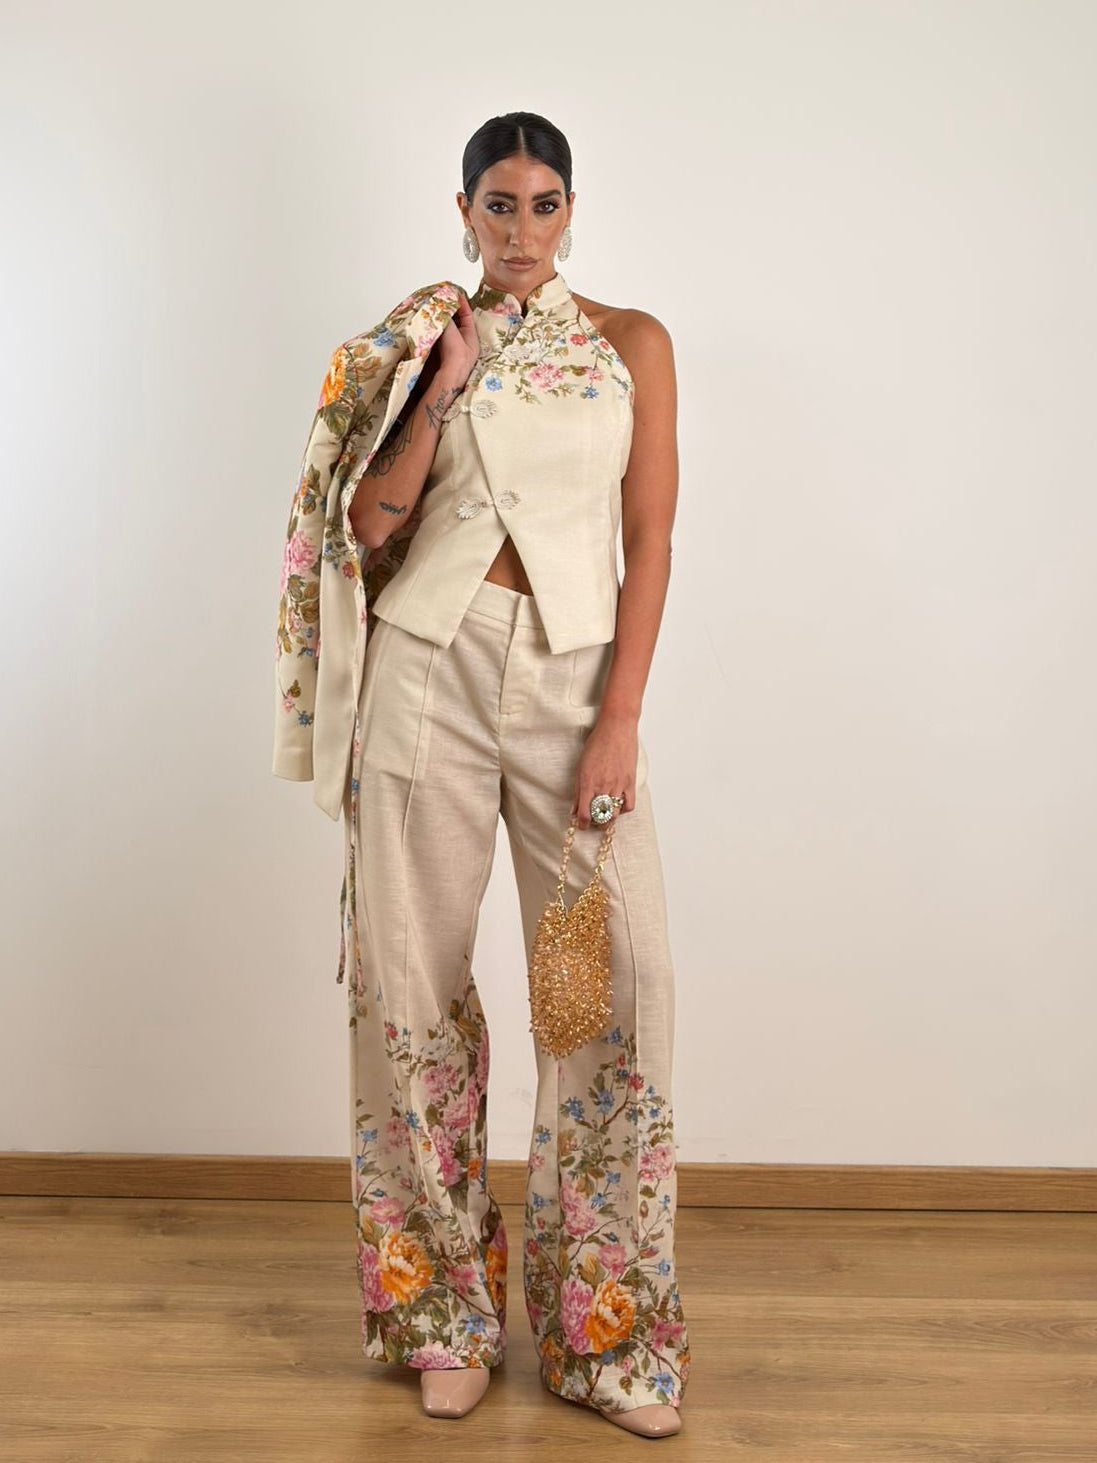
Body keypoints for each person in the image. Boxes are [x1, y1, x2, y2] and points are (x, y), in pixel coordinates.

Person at [337, 111, 690, 1435]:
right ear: (464, 211)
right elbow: (371, 525)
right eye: (500, 204)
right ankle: (440, 1316)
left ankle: (607, 1338)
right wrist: (441, 383)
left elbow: (649, 538)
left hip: (571, 679)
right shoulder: (421, 339)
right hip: (426, 668)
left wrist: (620, 715)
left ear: (572, 210)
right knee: (410, 984)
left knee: (611, 987)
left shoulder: (630, 342)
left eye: (544, 204)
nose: (522, 229)